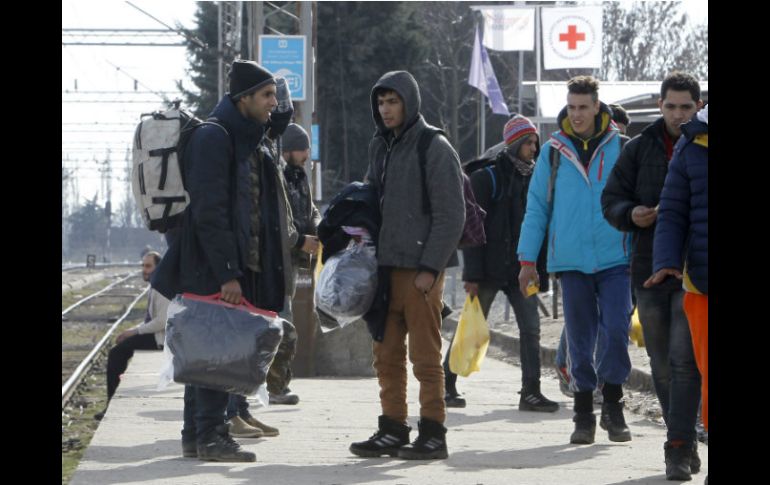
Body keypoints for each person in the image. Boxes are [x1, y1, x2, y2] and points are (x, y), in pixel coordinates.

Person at [154, 59, 311, 461]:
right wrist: (227, 273)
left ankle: (196, 435)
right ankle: (212, 436)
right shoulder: (214, 137)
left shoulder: (241, 136)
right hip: (211, 263)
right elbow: (210, 211)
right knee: (216, 350)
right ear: (244, 99)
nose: (273, 103)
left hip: (224, 262)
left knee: (208, 348)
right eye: (267, 95)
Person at [350, 70, 465, 460]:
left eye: (393, 101)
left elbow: (452, 215)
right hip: (383, 273)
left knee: (425, 357)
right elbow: (370, 201)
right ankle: (393, 428)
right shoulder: (379, 147)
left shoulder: (434, 146)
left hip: (419, 274)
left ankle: (433, 433)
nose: (385, 109)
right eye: (380, 102)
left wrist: (430, 268)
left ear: (409, 102)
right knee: (385, 356)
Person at [517, 76, 632, 446]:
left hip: (616, 258)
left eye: (584, 107)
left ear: (598, 107)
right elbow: (536, 209)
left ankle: (613, 403)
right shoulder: (552, 153)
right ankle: (584, 414)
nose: (577, 114)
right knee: (580, 340)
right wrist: (526, 260)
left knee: (616, 329)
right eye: (572, 107)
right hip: (570, 261)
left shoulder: (623, 149)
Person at [602, 72, 703, 481]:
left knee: (684, 361)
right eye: (671, 106)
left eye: (686, 107)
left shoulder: (701, 145)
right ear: (659, 106)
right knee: (660, 363)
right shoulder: (639, 149)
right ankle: (684, 437)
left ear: (698, 107)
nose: (678, 114)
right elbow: (610, 199)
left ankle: (677, 447)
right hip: (646, 268)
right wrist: (631, 214)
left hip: (694, 271)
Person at [443, 115, 558, 413]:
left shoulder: (536, 179)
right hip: (488, 272)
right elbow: (473, 229)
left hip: (523, 271)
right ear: (516, 143)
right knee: (470, 328)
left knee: (531, 329)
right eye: (529, 142)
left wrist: (539, 273)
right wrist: (472, 274)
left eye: (536, 142)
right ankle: (446, 384)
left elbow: (540, 230)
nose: (534, 148)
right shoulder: (487, 178)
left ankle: (531, 392)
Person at [645, 103, 708, 481]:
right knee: (686, 365)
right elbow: (671, 211)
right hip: (701, 280)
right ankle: (679, 448)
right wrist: (666, 260)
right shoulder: (692, 144)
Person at [554, 101, 632, 403]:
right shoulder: (564, 157)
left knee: (613, 323)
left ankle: (606, 386)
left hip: (617, 256)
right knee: (580, 325)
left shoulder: (623, 156)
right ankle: (574, 375)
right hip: (579, 257)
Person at [94, 251, 168, 421]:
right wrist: (133, 331)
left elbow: (162, 321)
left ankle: (112, 405)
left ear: (158, 267)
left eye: (148, 266)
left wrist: (134, 332)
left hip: (162, 339)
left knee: (116, 354)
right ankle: (113, 401)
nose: (144, 269)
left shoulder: (162, 286)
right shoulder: (157, 284)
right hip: (157, 335)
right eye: (143, 265)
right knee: (120, 348)